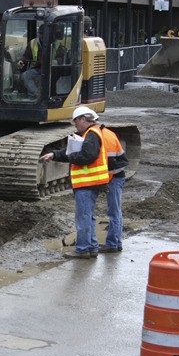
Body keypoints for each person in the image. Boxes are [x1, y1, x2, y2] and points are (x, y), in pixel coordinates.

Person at [40, 106, 109, 259]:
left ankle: (83, 249)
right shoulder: (90, 134)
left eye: (76, 121)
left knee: (83, 218)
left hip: (87, 183)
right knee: (88, 216)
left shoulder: (91, 135)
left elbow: (86, 156)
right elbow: (74, 150)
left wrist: (71, 157)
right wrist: (55, 154)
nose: (75, 124)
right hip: (90, 183)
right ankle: (91, 247)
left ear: (83, 119)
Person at [99, 124, 128, 253]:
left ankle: (112, 244)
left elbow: (109, 165)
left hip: (114, 177)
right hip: (115, 176)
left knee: (114, 211)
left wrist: (104, 182)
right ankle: (116, 242)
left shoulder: (104, 137)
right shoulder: (107, 133)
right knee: (116, 211)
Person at [18, 24, 45, 97]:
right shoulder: (33, 43)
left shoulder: (55, 42)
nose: (42, 36)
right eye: (41, 34)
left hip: (51, 68)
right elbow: (26, 56)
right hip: (38, 69)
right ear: (38, 33)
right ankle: (37, 94)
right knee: (25, 76)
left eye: (44, 34)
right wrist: (21, 61)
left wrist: (57, 61)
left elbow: (62, 56)